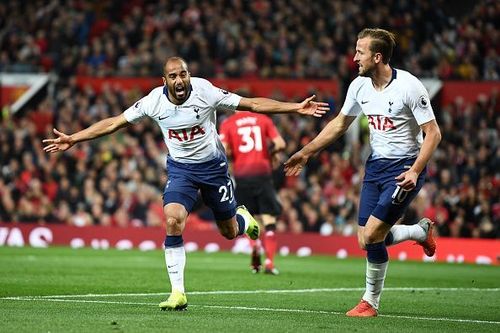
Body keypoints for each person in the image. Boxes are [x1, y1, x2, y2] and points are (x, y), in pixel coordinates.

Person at [43, 56, 329, 311]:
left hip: (215, 170)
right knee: (172, 221)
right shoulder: (153, 101)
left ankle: (242, 219)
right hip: (181, 171)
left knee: (229, 232)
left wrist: (295, 108)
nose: (180, 80)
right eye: (173, 76)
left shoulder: (205, 91)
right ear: (164, 80)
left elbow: (251, 103)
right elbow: (114, 122)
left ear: (188, 75)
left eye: (183, 74)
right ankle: (178, 291)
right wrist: (74, 138)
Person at [284, 28, 441, 317]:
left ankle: (370, 302)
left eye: (360, 52)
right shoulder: (359, 86)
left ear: (377, 57)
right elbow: (340, 124)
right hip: (375, 166)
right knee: (364, 239)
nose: (354, 57)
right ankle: (419, 232)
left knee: (371, 236)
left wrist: (416, 171)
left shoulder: (409, 86)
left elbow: (432, 133)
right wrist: (306, 152)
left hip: (403, 168)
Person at [219, 111, 285, 275]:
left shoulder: (228, 123)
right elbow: (280, 143)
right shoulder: (263, 119)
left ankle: (255, 246)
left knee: (248, 218)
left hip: (242, 176)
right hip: (263, 174)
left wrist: (234, 155)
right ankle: (269, 262)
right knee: (269, 218)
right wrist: (271, 154)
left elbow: (223, 150)